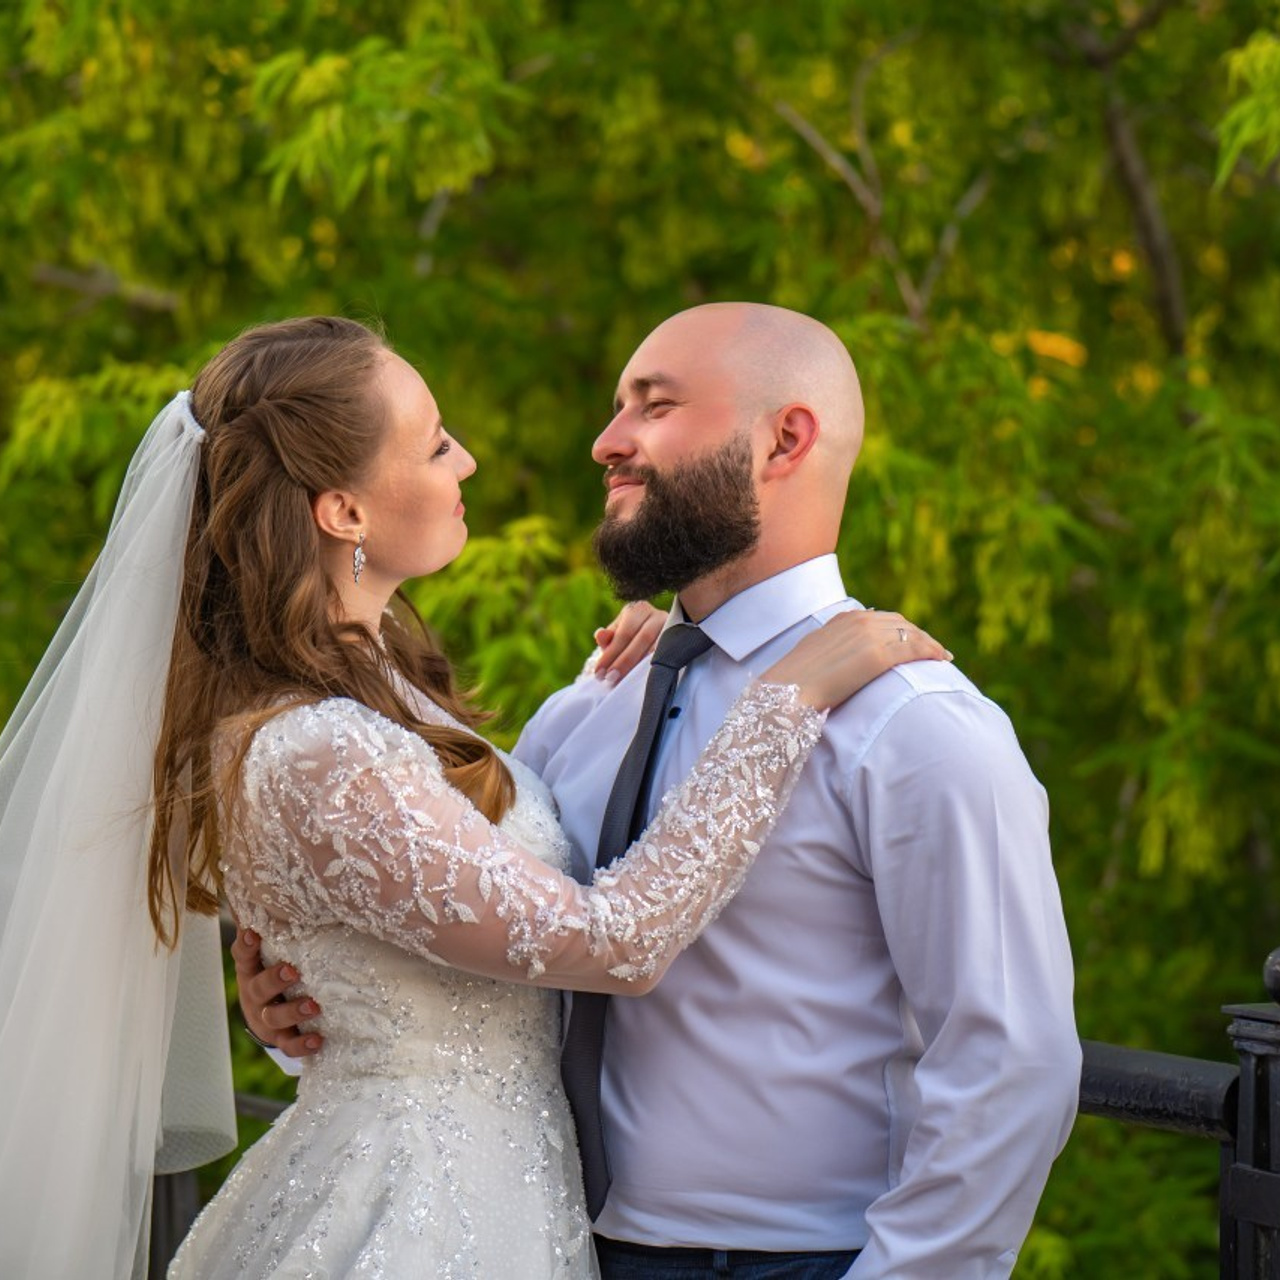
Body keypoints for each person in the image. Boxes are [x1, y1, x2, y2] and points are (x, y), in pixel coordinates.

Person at [0, 314, 948, 1280]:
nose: (471, 462)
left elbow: (411, 941)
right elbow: (611, 945)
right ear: (343, 512)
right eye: (436, 442)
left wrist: (669, 652)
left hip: (493, 1195)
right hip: (414, 1222)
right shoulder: (318, 749)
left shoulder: (369, 699)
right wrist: (785, 698)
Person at [245, 303, 1081, 1279]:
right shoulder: (585, 708)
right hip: (543, 1241)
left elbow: (1008, 1064)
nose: (606, 441)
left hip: (799, 1261)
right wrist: (313, 1008)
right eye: (614, 407)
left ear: (785, 437)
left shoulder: (914, 724)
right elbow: (493, 943)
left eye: (653, 404)